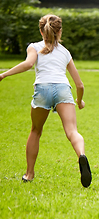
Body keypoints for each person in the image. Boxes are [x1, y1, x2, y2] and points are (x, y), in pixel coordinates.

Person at [0, 14, 92, 187]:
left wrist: (4, 74)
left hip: (42, 89)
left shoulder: (34, 47)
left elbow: (28, 65)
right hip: (63, 89)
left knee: (35, 130)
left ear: (41, 31)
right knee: (72, 131)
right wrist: (79, 102)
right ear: (60, 31)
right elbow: (79, 85)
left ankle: (29, 174)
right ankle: (81, 155)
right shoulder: (65, 52)